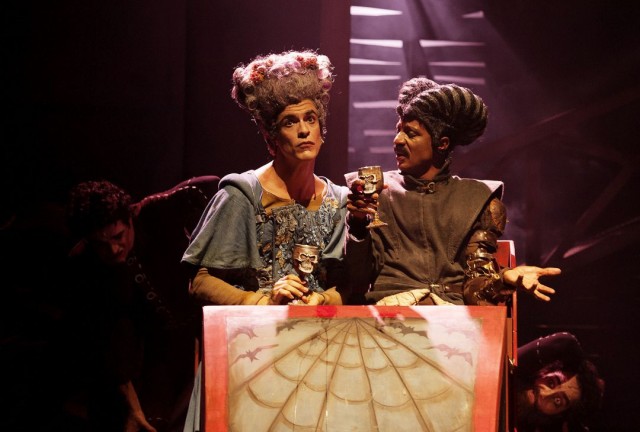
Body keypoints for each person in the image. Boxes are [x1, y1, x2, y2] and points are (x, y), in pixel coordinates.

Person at [345, 77, 561, 306]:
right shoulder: (376, 193)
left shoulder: (476, 199)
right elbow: (357, 280)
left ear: (442, 143)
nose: (397, 140)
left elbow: (477, 290)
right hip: (389, 315)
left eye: (411, 133)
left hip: (452, 318)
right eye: (398, 130)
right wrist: (358, 224)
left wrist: (504, 279)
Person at [182, 50, 349, 307]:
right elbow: (201, 282)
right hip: (256, 328)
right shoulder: (243, 196)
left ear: (321, 129)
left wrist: (323, 300)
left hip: (320, 327)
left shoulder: (339, 201)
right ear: (272, 136)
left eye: (310, 119)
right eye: (290, 122)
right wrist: (264, 304)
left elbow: (353, 285)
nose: (304, 130)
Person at [64, 176, 218, 432]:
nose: (114, 249)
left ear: (128, 220)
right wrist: (133, 410)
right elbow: (108, 344)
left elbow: (211, 184)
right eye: (101, 245)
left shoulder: (155, 212)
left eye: (118, 236)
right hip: (152, 347)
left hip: (200, 321)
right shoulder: (85, 266)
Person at [515, 332, 605, 431]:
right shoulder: (511, 373)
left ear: (559, 415)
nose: (544, 394)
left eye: (557, 401)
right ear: (544, 372)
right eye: (551, 383)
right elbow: (565, 342)